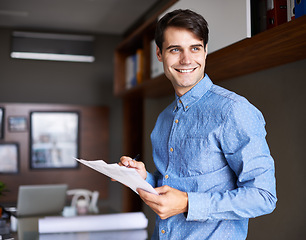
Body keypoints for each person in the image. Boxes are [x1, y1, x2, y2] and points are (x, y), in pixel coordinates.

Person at [120, 9, 277, 240]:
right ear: (160, 54)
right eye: (175, 49)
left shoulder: (233, 110)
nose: (186, 60)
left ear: (205, 52)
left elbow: (263, 196)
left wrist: (187, 203)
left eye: (195, 48)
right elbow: (171, 183)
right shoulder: (164, 119)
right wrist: (144, 178)